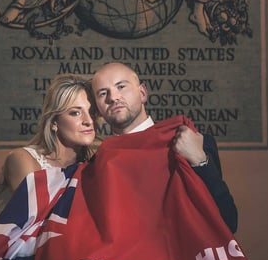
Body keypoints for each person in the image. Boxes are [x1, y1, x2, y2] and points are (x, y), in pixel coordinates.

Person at [91, 61, 238, 233]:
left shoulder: (196, 142)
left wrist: (200, 161)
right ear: (98, 108)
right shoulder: (96, 165)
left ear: (143, 93)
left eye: (121, 86)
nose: (113, 97)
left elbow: (229, 222)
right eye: (103, 93)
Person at [0, 74, 98, 221]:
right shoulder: (22, 159)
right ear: (54, 122)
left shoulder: (92, 168)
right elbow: (40, 219)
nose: (88, 121)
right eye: (75, 113)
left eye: (92, 112)